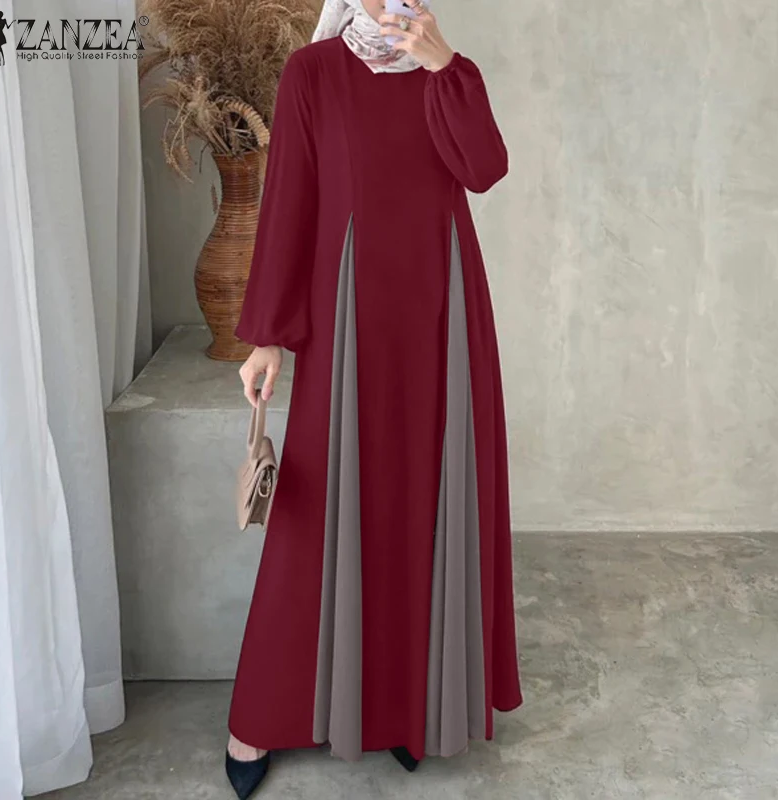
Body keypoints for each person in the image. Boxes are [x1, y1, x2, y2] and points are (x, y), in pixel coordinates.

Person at [225, 1, 523, 796]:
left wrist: (444, 66)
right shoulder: (312, 73)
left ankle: (404, 711)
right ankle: (259, 717)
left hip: (442, 318)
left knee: (423, 504)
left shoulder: (446, 71)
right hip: (347, 322)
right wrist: (267, 337)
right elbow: (290, 202)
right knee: (320, 516)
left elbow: (485, 169)